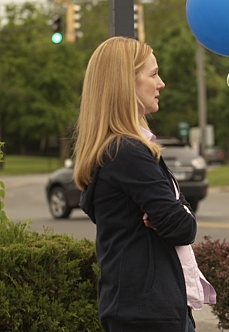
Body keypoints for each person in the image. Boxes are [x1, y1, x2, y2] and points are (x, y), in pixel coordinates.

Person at [73, 36, 215, 332]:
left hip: (140, 307)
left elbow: (176, 215)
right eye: (153, 74)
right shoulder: (126, 151)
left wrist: (175, 211)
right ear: (125, 83)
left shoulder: (120, 148)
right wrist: (178, 213)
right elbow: (182, 227)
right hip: (148, 313)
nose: (161, 83)